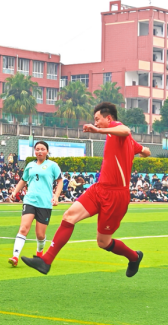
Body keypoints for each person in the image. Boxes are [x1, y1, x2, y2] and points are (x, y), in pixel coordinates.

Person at [21, 102, 151, 278]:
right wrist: (143, 152)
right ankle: (46, 261)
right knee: (69, 216)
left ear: (109, 119)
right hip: (99, 189)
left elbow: (125, 130)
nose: (95, 123)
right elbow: (145, 150)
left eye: (97, 119)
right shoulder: (122, 139)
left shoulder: (117, 129)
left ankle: (134, 257)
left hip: (116, 196)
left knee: (103, 242)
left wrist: (97, 130)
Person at [7, 141, 63, 267]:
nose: (39, 151)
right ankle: (15, 256)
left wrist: (56, 196)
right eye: (37, 149)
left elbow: (60, 181)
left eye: (42, 149)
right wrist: (15, 191)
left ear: (47, 151)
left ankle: (39, 255)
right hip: (30, 200)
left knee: (40, 235)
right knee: (23, 228)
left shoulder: (53, 165)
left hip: (45, 203)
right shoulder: (30, 165)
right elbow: (23, 180)